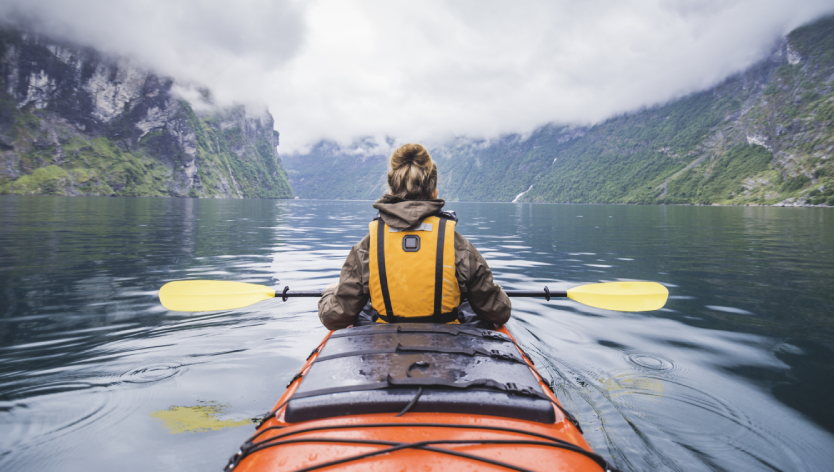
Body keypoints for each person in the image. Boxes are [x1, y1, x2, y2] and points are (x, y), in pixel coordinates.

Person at [318, 143, 511, 330]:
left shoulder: (367, 248)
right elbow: (498, 313)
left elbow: (335, 317)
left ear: (392, 192)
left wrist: (330, 292)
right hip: (445, 346)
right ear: (434, 193)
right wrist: (496, 291)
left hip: (386, 347)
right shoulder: (458, 246)